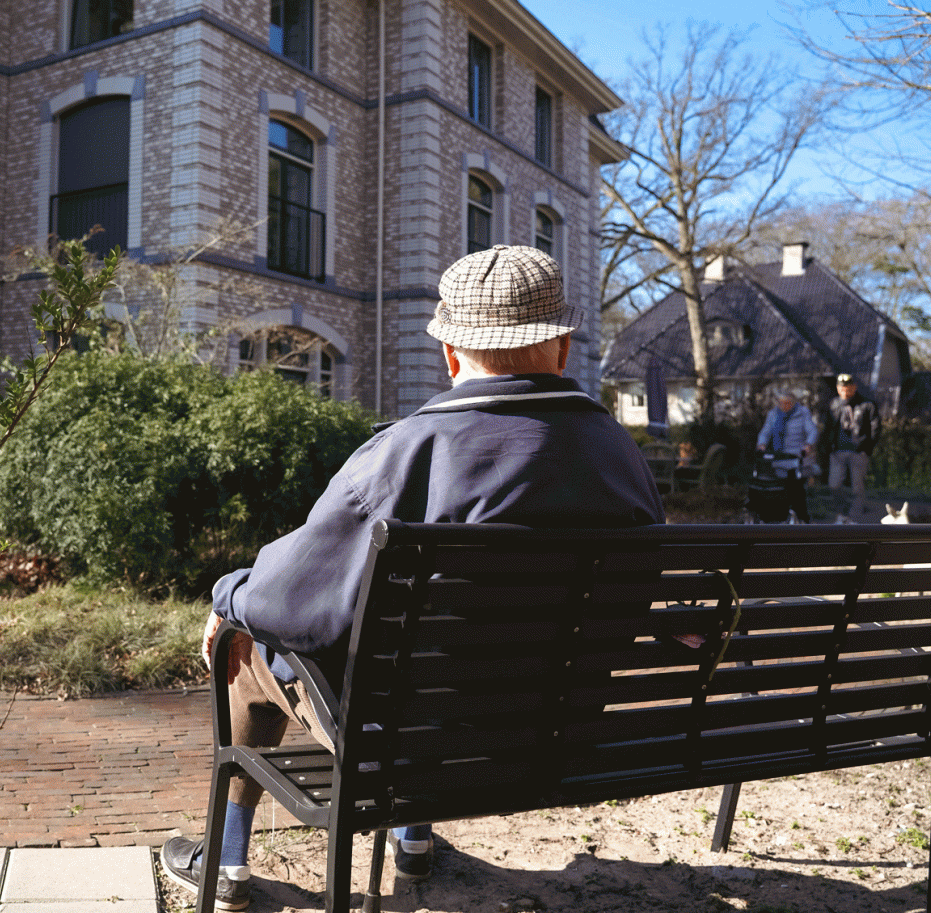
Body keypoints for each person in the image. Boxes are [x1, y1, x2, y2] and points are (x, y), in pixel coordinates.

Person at [161, 245, 665, 908]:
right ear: (564, 349)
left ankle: (225, 860)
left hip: (407, 736)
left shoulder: (411, 452)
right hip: (556, 733)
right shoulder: (620, 456)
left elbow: (291, 600)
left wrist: (228, 595)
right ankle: (413, 840)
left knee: (246, 643)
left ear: (451, 356)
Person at [755, 389, 818, 523]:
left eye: (787, 403)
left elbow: (812, 431)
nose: (784, 406)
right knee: (778, 489)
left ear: (793, 403)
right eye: (781, 403)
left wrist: (808, 445)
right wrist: (761, 444)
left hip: (797, 458)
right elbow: (765, 432)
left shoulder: (802, 413)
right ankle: (781, 517)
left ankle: (802, 518)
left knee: (796, 490)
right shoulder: (773, 414)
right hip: (780, 458)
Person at [826, 372, 880, 521]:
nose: (845, 391)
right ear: (838, 389)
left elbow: (875, 428)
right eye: (842, 388)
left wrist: (867, 449)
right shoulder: (833, 405)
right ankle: (842, 513)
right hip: (838, 451)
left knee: (857, 487)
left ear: (854, 387)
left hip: (858, 451)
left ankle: (855, 518)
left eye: (848, 388)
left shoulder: (867, 405)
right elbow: (828, 428)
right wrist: (828, 448)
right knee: (834, 485)